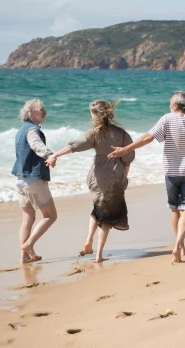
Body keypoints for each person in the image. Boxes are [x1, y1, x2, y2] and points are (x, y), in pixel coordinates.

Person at [108, 91, 185, 264]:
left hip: (171, 172)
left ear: (175, 105)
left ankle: (179, 245)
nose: (168, 104)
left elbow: (147, 138)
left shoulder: (166, 119)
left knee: (174, 209)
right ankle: (179, 244)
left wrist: (125, 149)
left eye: (170, 101)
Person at [47, 100, 135, 264]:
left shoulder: (94, 133)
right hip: (115, 178)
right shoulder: (122, 134)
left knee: (97, 208)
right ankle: (99, 255)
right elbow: (128, 159)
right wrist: (123, 178)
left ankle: (88, 240)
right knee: (107, 217)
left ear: (96, 115)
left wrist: (55, 155)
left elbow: (75, 146)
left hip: (97, 177)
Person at [12, 99, 58, 264]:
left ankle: (24, 258)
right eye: (41, 110)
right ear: (31, 112)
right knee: (50, 215)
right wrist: (49, 155)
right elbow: (36, 144)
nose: (45, 112)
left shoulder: (20, 131)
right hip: (33, 180)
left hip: (20, 180)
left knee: (27, 219)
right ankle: (29, 245)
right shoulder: (32, 129)